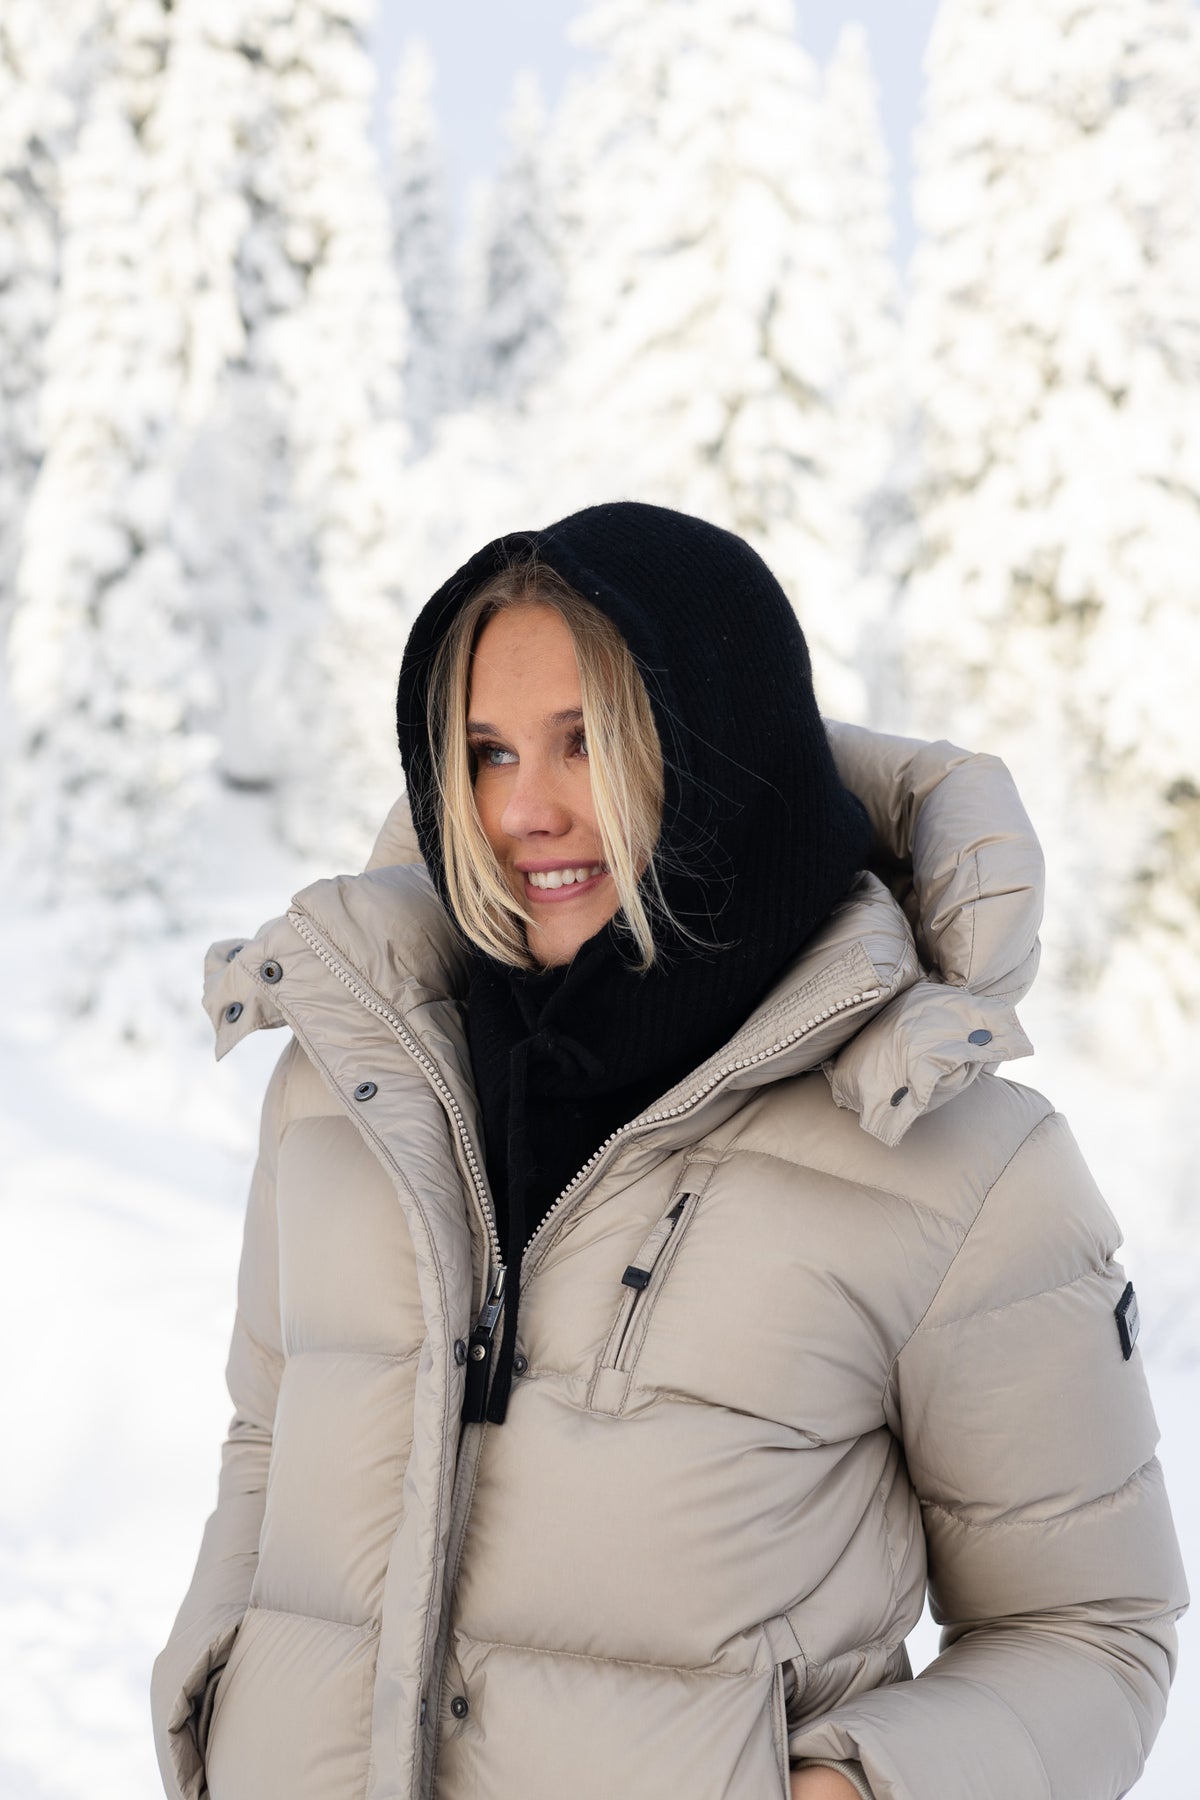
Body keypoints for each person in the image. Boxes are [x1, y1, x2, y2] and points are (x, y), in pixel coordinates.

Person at [151, 502, 1186, 1800]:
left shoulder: (957, 1163)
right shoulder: (344, 1086)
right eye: (486, 752)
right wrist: (214, 1699)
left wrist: (858, 1791)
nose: (526, 809)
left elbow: (1093, 1629)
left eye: (585, 740)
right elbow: (266, 1447)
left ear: (721, 755)